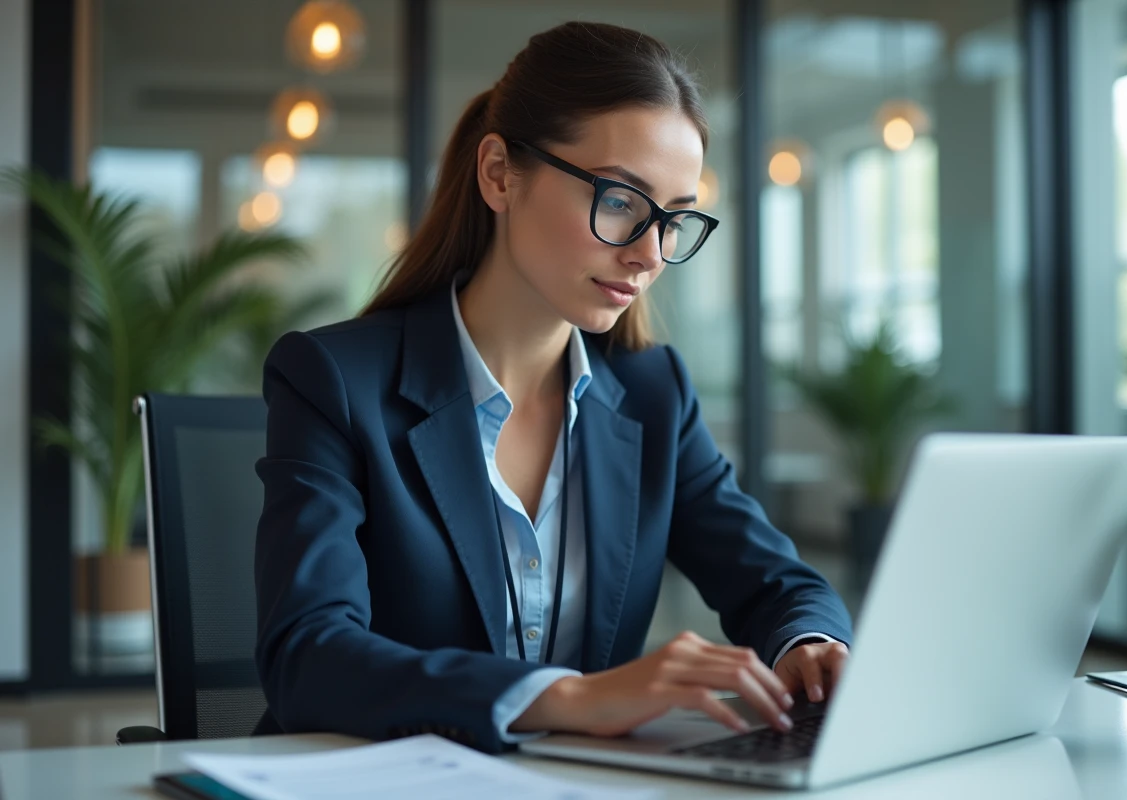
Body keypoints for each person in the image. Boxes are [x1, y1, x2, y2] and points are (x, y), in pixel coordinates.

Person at [253, 20, 852, 755]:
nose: (647, 255)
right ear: (500, 174)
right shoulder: (336, 382)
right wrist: (569, 698)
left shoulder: (652, 392)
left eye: (673, 218)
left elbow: (776, 584)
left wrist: (812, 644)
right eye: (621, 201)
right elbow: (308, 655)